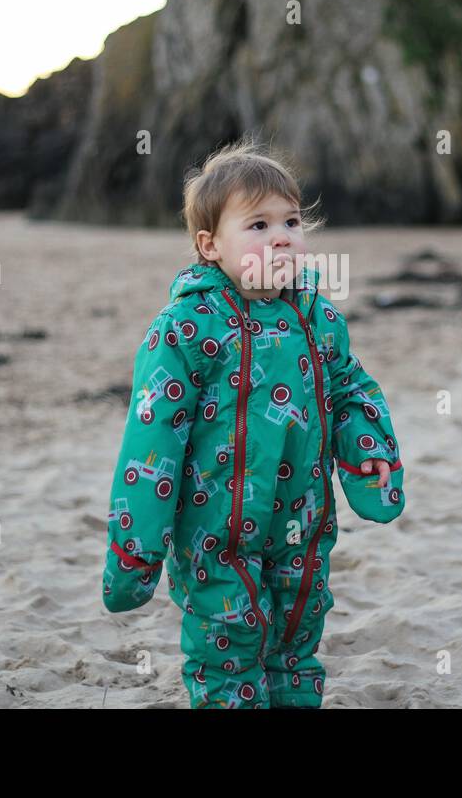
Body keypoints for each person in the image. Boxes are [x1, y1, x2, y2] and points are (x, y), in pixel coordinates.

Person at [100, 133, 405, 708]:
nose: (282, 236)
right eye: (258, 225)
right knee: (228, 655)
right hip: (215, 533)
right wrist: (136, 548)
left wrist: (367, 449)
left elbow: (347, 389)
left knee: (295, 640)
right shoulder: (186, 329)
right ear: (210, 245)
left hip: (301, 526)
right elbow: (152, 435)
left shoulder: (316, 316)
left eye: (291, 221)